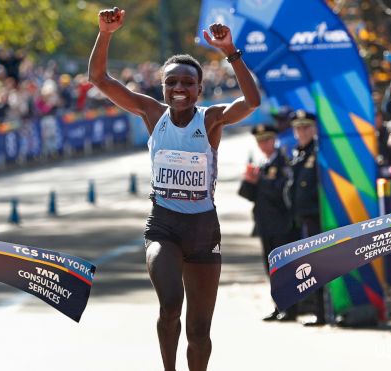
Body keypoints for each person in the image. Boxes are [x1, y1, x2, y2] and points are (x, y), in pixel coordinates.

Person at [88, 7, 260, 371]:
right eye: (172, 82)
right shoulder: (152, 114)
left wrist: (231, 52)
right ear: (163, 87)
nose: (179, 89)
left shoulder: (211, 120)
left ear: (199, 88)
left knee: (199, 332)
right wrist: (105, 34)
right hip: (163, 226)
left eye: (187, 83)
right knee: (170, 305)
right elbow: (100, 79)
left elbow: (251, 103)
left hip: (203, 230)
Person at [238, 124, 295, 321]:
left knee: (285, 269)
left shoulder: (283, 161)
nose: (263, 144)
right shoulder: (262, 163)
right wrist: (249, 180)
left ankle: (291, 307)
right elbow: (248, 194)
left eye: (266, 140)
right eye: (259, 141)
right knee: (271, 268)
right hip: (265, 224)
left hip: (281, 223)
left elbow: (282, 192)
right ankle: (278, 305)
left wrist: (260, 182)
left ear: (274, 140)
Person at [284, 110, 326, 326]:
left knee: (318, 265)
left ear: (314, 128)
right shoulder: (298, 153)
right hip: (302, 217)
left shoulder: (319, 152)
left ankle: (323, 312)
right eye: (298, 128)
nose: (301, 131)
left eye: (306, 127)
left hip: (317, 216)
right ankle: (317, 310)